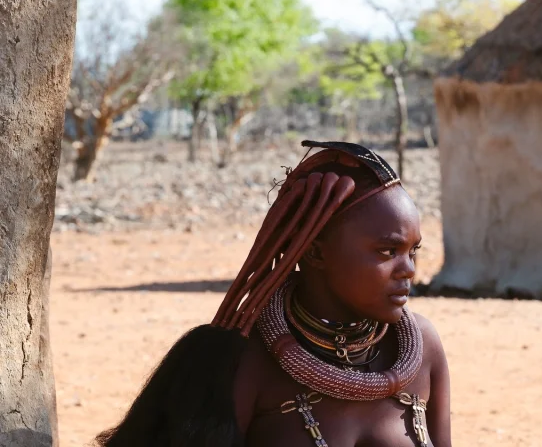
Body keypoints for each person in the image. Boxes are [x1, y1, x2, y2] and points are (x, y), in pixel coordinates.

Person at [96, 141, 452, 447]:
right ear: (315, 252)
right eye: (387, 252)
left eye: (413, 251)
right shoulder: (236, 360)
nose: (408, 269)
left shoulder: (420, 348)